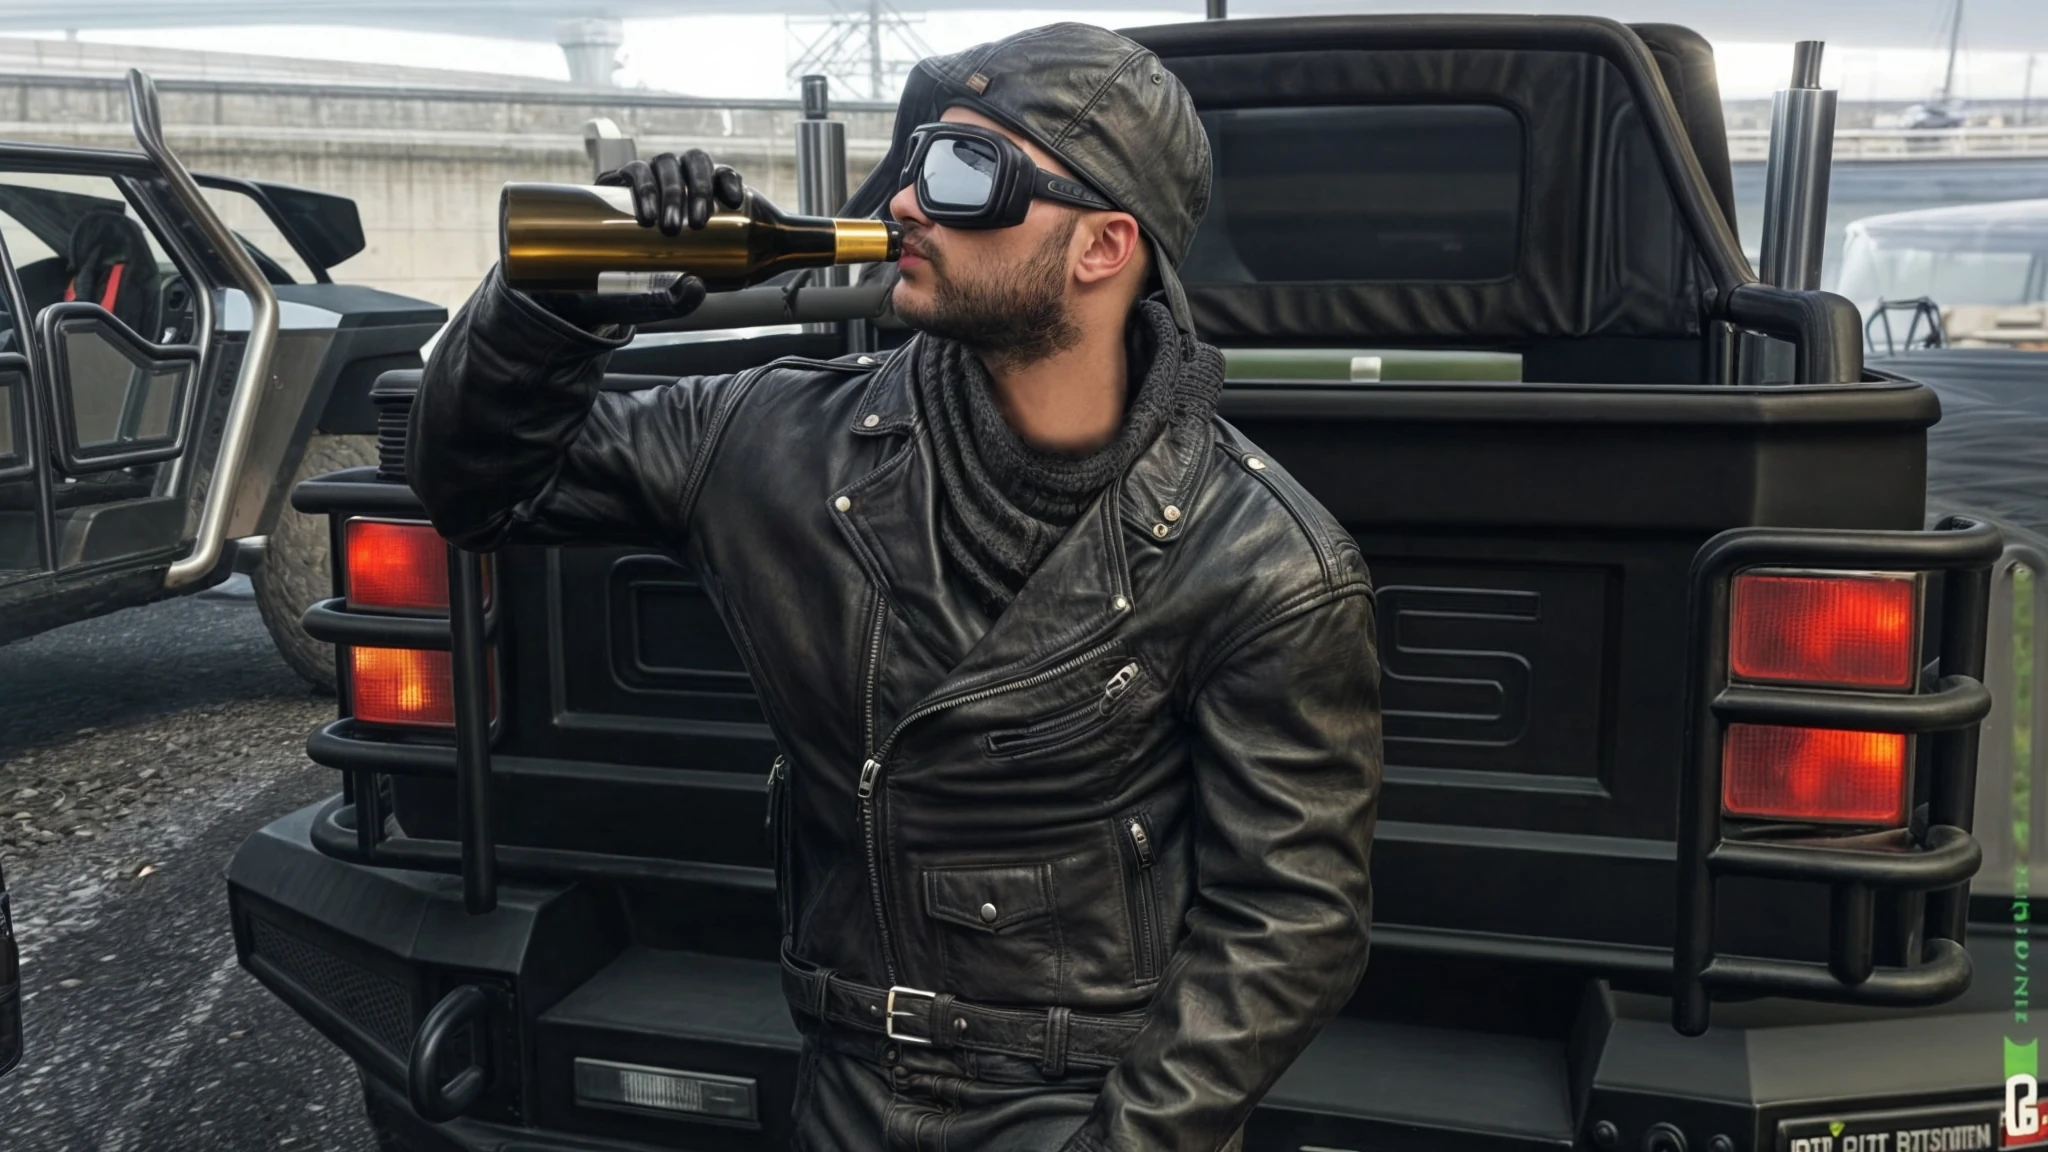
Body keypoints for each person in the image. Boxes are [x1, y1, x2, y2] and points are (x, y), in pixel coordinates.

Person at [410, 22, 1380, 1152]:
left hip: (1084, 1100)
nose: (909, 201)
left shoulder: (1262, 561)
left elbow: (1292, 916)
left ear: (1103, 246)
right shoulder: (776, 439)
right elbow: (480, 488)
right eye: (916, 158)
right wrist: (551, 303)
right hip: (841, 1081)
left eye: (969, 171)